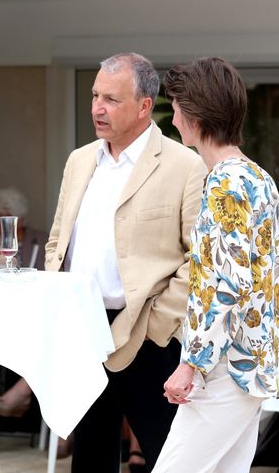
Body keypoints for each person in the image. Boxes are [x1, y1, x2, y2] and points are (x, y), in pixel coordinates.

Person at [45, 52, 208, 473]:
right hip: (84, 331)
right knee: (90, 457)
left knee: (166, 458)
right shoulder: (80, 160)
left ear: (143, 106)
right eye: (96, 95)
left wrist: (159, 325)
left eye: (112, 99)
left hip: (146, 334)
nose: (98, 107)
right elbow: (59, 239)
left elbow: (200, 259)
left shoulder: (185, 165)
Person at [152, 57, 279, 473]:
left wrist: (190, 364)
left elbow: (223, 282)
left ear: (194, 114)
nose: (172, 116)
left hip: (227, 368)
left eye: (175, 106)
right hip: (250, 363)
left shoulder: (225, 181)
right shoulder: (258, 177)